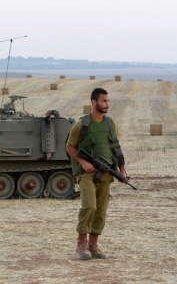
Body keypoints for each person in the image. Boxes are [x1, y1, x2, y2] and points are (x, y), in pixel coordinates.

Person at [66, 88, 126, 260]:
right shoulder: (82, 124)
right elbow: (70, 147)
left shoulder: (110, 123)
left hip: (106, 172)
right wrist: (83, 163)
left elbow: (116, 147)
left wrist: (121, 171)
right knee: (89, 206)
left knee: (100, 209)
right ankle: (81, 244)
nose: (107, 104)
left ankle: (93, 245)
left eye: (108, 101)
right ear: (94, 102)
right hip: (86, 173)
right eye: (103, 101)